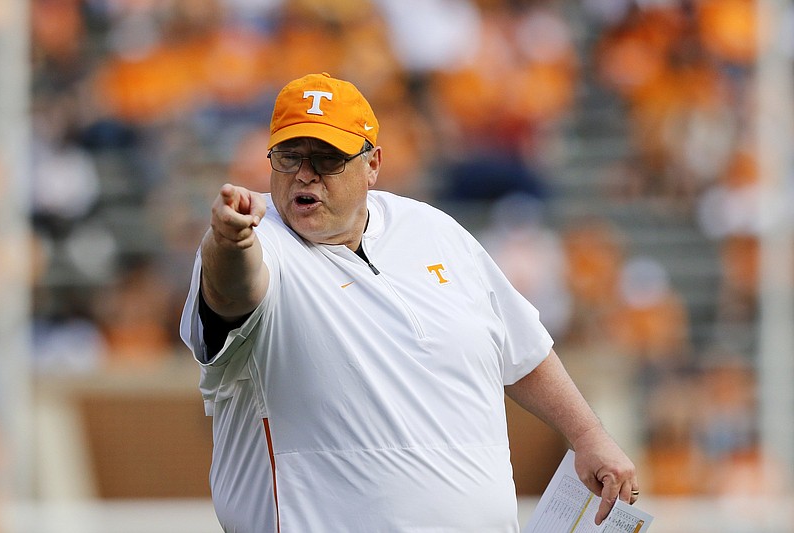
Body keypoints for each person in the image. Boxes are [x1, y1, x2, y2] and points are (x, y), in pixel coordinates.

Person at [180, 72, 639, 533]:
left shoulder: (433, 230)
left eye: (327, 157)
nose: (305, 172)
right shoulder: (259, 237)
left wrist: (587, 435)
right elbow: (231, 293)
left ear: (372, 164)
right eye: (289, 155)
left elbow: (522, 349)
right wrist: (229, 241)